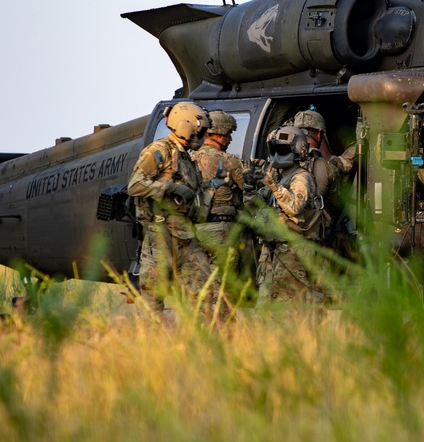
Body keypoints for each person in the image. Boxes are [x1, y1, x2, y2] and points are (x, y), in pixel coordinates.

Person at [127, 101, 216, 323]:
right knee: (153, 296)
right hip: (161, 234)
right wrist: (169, 188)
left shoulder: (186, 157)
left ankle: (199, 339)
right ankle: (150, 346)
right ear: (186, 126)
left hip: (184, 234)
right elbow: (135, 185)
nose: (203, 136)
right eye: (200, 131)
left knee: (205, 289)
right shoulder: (160, 151)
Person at [255, 126, 329, 305]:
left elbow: (294, 206)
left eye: (281, 150)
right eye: (274, 150)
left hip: (293, 249)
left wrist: (274, 187)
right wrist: (251, 189)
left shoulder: (302, 177)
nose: (276, 156)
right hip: (276, 246)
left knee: (289, 301)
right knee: (267, 300)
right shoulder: (281, 176)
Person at [193, 110, 249, 300]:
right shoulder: (228, 161)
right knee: (224, 287)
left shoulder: (190, 159)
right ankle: (223, 327)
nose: (230, 139)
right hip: (222, 231)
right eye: (228, 134)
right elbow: (248, 188)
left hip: (197, 230)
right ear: (218, 134)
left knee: (202, 285)